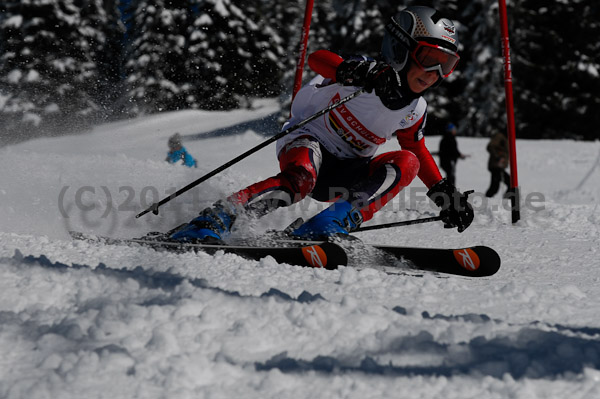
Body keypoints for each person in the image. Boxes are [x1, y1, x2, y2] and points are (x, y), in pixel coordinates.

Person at [170, 5, 474, 242]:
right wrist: (351, 71)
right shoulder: (364, 75)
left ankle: (327, 224)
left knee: (407, 161)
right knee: (299, 181)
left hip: (347, 173)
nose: (434, 72)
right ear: (401, 49)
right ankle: (210, 221)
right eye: (428, 58)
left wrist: (446, 195)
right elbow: (318, 59)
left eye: (445, 65)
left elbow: (416, 149)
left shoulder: (415, 108)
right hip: (308, 142)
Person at [485, 129, 511, 198]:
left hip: (499, 166)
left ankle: (487, 200)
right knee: (496, 187)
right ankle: (507, 200)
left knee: (495, 186)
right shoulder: (500, 136)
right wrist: (498, 157)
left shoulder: (504, 137)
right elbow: (490, 146)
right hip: (496, 166)